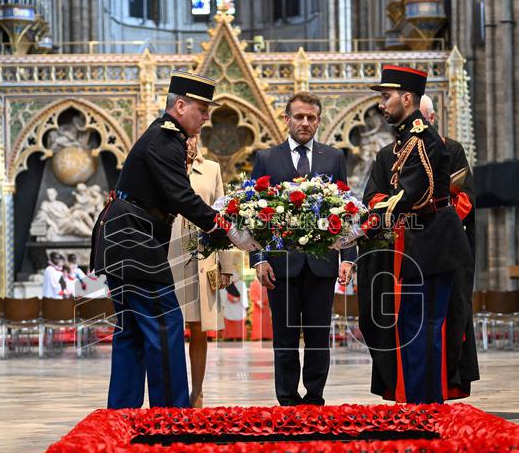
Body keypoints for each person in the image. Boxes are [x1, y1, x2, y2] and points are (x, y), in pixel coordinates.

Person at [90, 71, 260, 409]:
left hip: (124, 239)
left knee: (132, 332)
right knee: (166, 324)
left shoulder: (162, 137)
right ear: (180, 106)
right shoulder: (166, 139)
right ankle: (171, 417)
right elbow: (182, 197)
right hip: (134, 242)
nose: (207, 116)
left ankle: (121, 414)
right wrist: (228, 228)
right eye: (202, 109)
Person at [357, 65, 471, 404]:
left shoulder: (422, 139)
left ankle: (423, 409)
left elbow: (410, 195)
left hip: (432, 246)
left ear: (407, 99)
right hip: (424, 246)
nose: (382, 104)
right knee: (414, 328)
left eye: (386, 97)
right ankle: (419, 406)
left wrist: (361, 220)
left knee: (422, 331)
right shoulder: (410, 137)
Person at [250, 92, 357, 406]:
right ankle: (286, 399)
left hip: (322, 264)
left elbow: (347, 212)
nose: (305, 123)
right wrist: (258, 259)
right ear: (287, 119)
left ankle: (314, 397)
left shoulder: (333, 157)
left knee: (317, 338)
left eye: (311, 118)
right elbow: (255, 216)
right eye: (299, 117)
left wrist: (348, 258)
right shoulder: (267, 158)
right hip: (281, 266)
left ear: (319, 121)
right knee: (283, 338)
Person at [167, 133, 241, 408]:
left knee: (200, 330)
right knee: (170, 329)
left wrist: (227, 265)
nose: (188, 141)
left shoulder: (211, 169)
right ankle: (173, 394)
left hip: (203, 258)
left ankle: (197, 392)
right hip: (169, 258)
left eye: (193, 136)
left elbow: (223, 218)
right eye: (183, 136)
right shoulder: (164, 165)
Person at [419, 94, 478, 399]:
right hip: (411, 247)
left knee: (450, 315)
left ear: (433, 119)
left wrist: (436, 212)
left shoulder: (451, 149)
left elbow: (464, 197)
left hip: (445, 244)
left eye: (425, 119)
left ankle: (449, 381)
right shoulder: (394, 153)